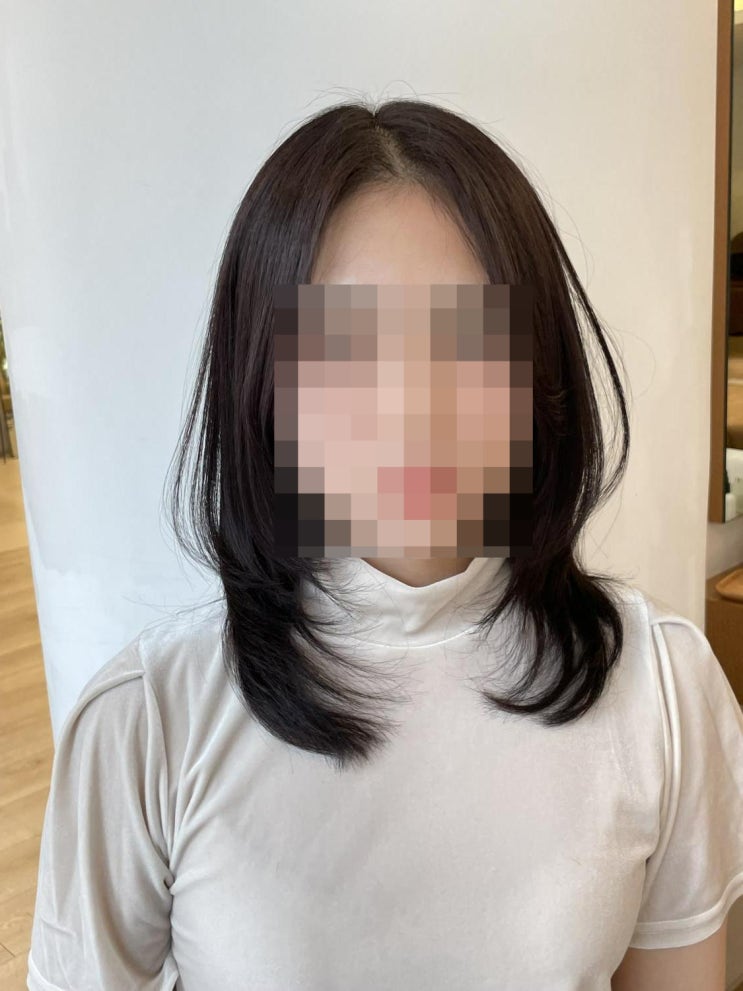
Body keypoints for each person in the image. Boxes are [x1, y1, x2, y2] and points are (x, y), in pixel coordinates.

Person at [26, 99, 742, 990]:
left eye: (467, 342)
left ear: (537, 371)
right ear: (263, 386)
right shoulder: (146, 720)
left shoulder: (662, 689)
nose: (412, 412)